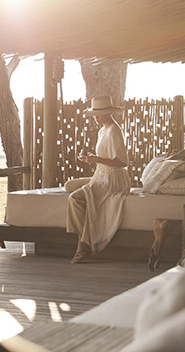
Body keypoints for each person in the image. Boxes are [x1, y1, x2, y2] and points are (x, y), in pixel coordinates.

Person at [67, 96, 131, 264]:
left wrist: (98, 160)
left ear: (109, 112)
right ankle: (84, 239)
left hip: (113, 178)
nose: (96, 117)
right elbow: (103, 157)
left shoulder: (113, 131)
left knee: (75, 198)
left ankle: (83, 244)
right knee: (69, 185)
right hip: (101, 174)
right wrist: (91, 158)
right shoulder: (102, 129)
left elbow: (122, 162)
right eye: (94, 113)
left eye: (99, 113)